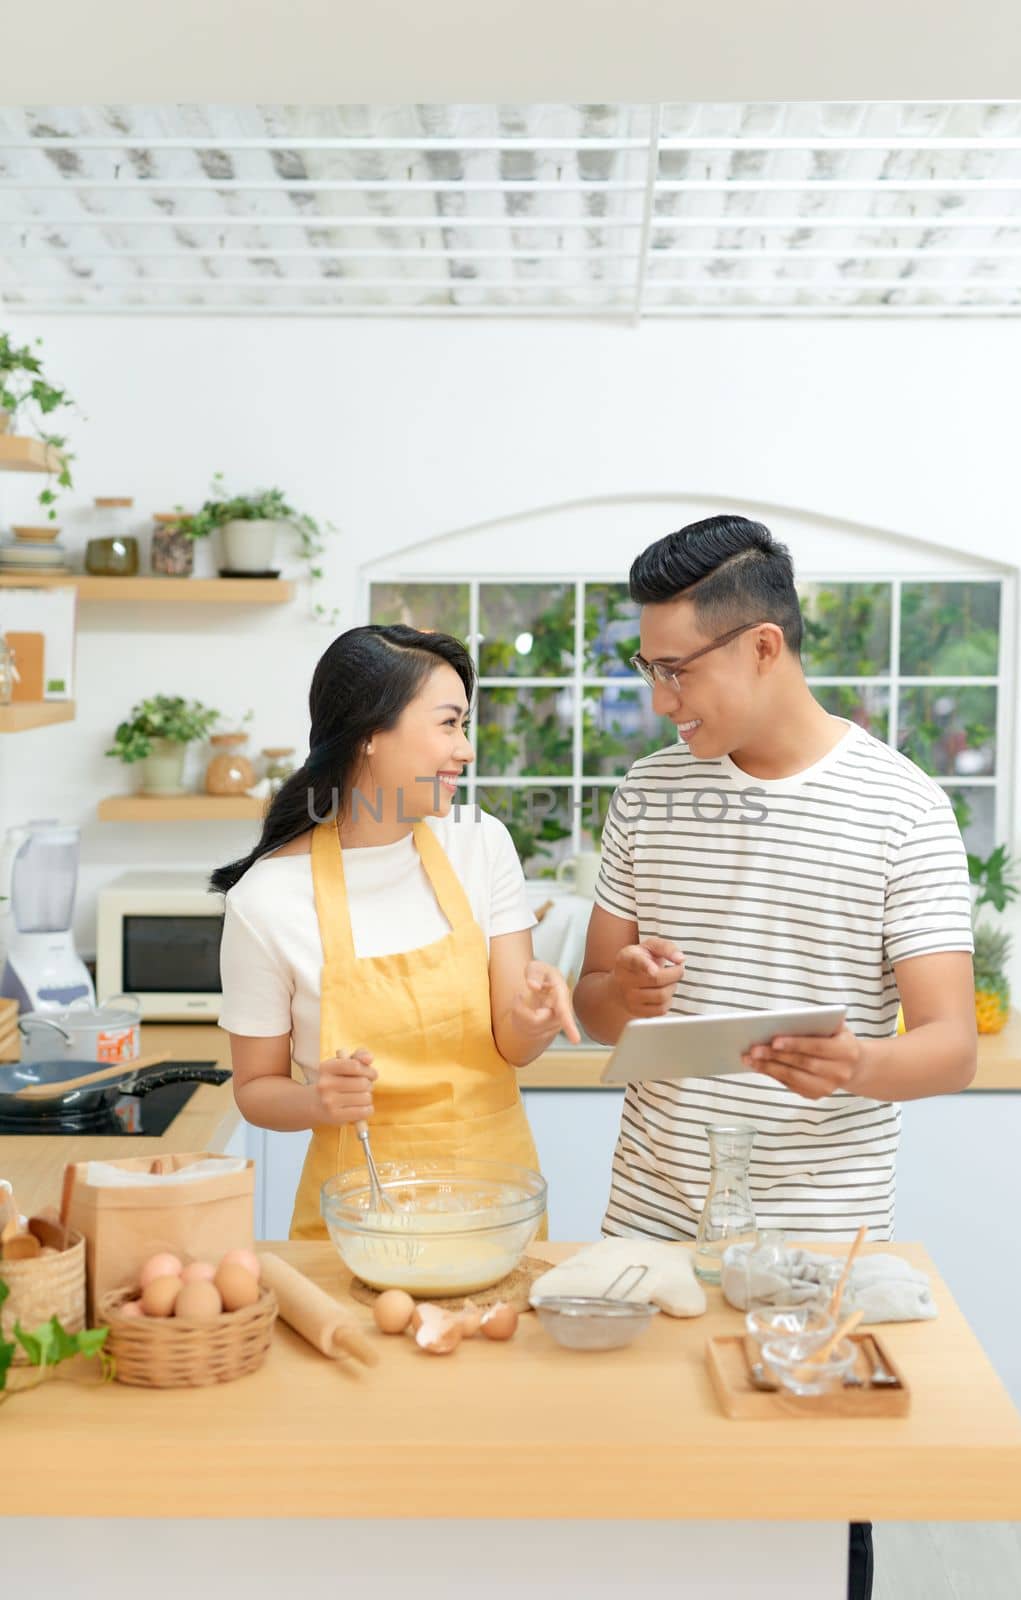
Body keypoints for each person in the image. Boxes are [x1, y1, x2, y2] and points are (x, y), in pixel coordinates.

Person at [573, 516, 977, 1600]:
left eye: (677, 669)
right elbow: (593, 1007)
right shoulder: (650, 793)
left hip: (814, 1251)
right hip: (648, 1233)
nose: (663, 699)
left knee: (800, 1541)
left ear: (762, 646)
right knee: (643, 1533)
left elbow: (950, 1046)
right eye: (649, 669)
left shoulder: (905, 809)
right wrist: (627, 989)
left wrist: (856, 1064)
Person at [213, 623, 578, 1240]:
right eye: (448, 724)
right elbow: (255, 1088)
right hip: (358, 1223)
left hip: (495, 1210)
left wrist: (536, 1018)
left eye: (463, 726)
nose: (465, 749)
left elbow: (512, 1043)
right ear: (370, 735)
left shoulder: (481, 844)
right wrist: (316, 1102)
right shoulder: (267, 900)